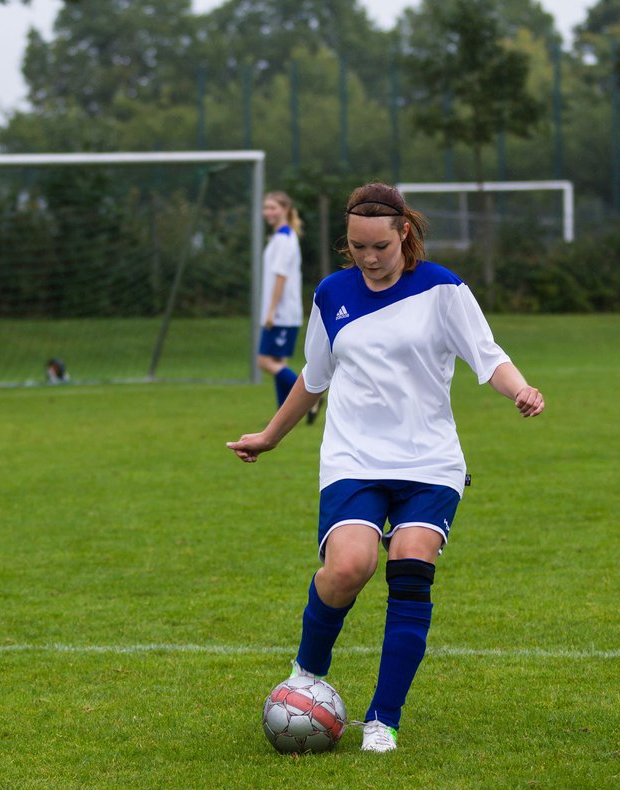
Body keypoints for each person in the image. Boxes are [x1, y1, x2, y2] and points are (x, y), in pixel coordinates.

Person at [228, 182, 544, 753]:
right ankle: (307, 671)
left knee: (410, 563)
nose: (369, 259)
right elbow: (313, 375)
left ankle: (383, 718)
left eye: (380, 246)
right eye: (357, 248)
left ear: (404, 233)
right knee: (350, 566)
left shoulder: (444, 290)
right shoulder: (331, 293)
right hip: (354, 455)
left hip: (430, 460)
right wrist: (271, 435)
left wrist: (520, 390)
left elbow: (488, 356)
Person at [257, 191, 318, 421]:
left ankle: (311, 397)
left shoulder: (284, 239)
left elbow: (281, 277)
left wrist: (271, 310)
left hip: (281, 313)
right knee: (279, 363)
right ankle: (284, 414)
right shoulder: (280, 237)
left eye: (273, 207)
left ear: (285, 209)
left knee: (264, 361)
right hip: (281, 312)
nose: (268, 212)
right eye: (266, 208)